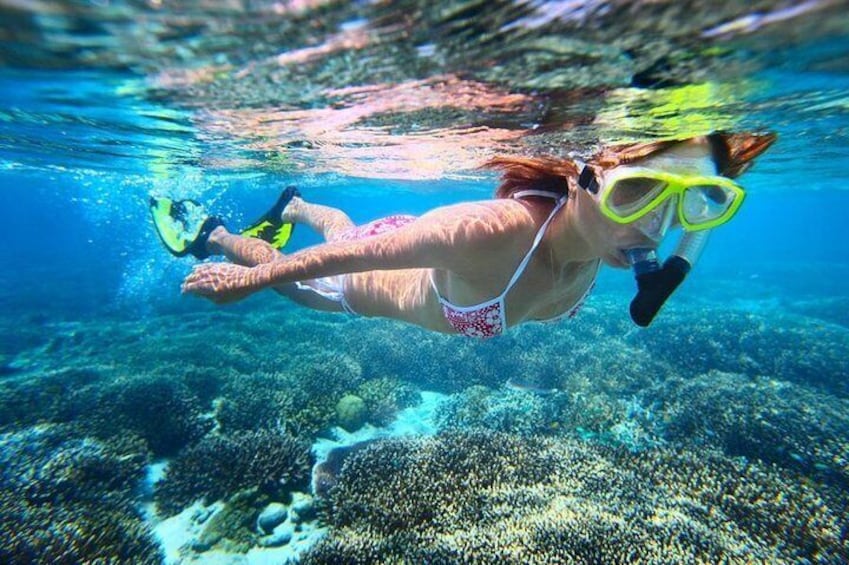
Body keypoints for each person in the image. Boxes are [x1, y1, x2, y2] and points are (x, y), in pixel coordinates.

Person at [151, 132, 775, 338]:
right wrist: (249, 280)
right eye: (634, 192)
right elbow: (362, 254)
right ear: (586, 179)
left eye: (691, 202)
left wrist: (687, 251)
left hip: (407, 248)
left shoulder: (616, 238)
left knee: (347, 224)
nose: (656, 228)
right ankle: (217, 234)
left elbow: (692, 224)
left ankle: (297, 202)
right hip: (360, 279)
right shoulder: (501, 231)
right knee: (306, 270)